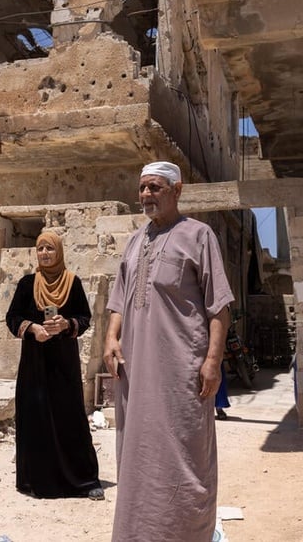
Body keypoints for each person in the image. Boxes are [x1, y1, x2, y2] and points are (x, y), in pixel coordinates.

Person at [103, 161, 234, 541]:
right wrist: (111, 338)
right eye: (143, 188)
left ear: (177, 191)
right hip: (135, 370)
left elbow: (219, 307)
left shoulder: (199, 235)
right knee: (137, 449)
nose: (146, 195)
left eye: (155, 187)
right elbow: (118, 299)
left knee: (184, 449)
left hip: (182, 369)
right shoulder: (134, 240)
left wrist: (212, 361)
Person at [6, 231, 104, 500]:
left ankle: (83, 481)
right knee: (35, 417)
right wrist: (32, 328)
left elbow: (84, 318)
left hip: (63, 363)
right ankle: (39, 481)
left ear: (59, 251)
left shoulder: (72, 282)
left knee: (69, 417)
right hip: (34, 363)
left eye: (49, 248)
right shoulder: (27, 284)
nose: (45, 253)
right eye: (40, 249)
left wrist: (66, 324)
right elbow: (12, 317)